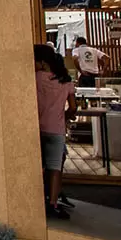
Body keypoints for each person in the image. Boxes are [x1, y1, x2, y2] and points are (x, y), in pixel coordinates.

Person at [34, 43, 77, 220]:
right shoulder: (66, 81)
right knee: (55, 168)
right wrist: (63, 117)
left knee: (37, 166)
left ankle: (36, 201)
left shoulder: (36, 78)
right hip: (56, 129)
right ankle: (53, 203)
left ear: (43, 62)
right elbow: (73, 108)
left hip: (36, 128)